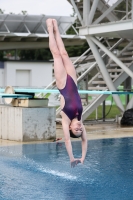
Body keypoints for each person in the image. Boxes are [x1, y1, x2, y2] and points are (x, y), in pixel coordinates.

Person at [46, 19, 87, 167]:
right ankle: (57, 28)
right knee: (64, 53)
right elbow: (84, 140)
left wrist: (72, 158)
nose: (79, 128)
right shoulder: (80, 118)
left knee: (56, 54)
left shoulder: (66, 120)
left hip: (63, 83)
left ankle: (50, 29)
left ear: (70, 128)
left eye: (76, 129)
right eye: (80, 130)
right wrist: (82, 158)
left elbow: (68, 140)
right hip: (73, 81)